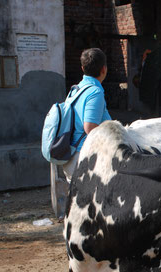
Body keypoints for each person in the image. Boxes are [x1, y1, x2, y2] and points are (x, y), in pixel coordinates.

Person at [62, 48, 112, 182]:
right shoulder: (95, 92)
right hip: (85, 159)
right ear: (104, 69)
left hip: (72, 154)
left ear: (83, 68)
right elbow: (89, 127)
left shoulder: (76, 89)